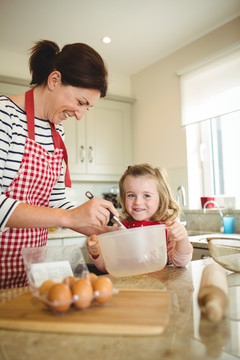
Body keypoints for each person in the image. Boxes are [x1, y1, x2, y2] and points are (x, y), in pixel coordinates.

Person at [0, 40, 119, 289]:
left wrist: (102, 230)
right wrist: (69, 217)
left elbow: (54, 201)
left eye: (88, 108)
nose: (80, 114)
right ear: (54, 80)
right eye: (80, 102)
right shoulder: (4, 116)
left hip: (26, 275)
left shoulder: (57, 134)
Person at [87, 163, 193, 272]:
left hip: (160, 286)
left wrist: (182, 238)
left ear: (161, 199)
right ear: (124, 198)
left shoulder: (167, 227)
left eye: (146, 196)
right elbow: (108, 267)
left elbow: (181, 263)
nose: (138, 202)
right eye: (131, 195)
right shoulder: (119, 229)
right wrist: (96, 253)